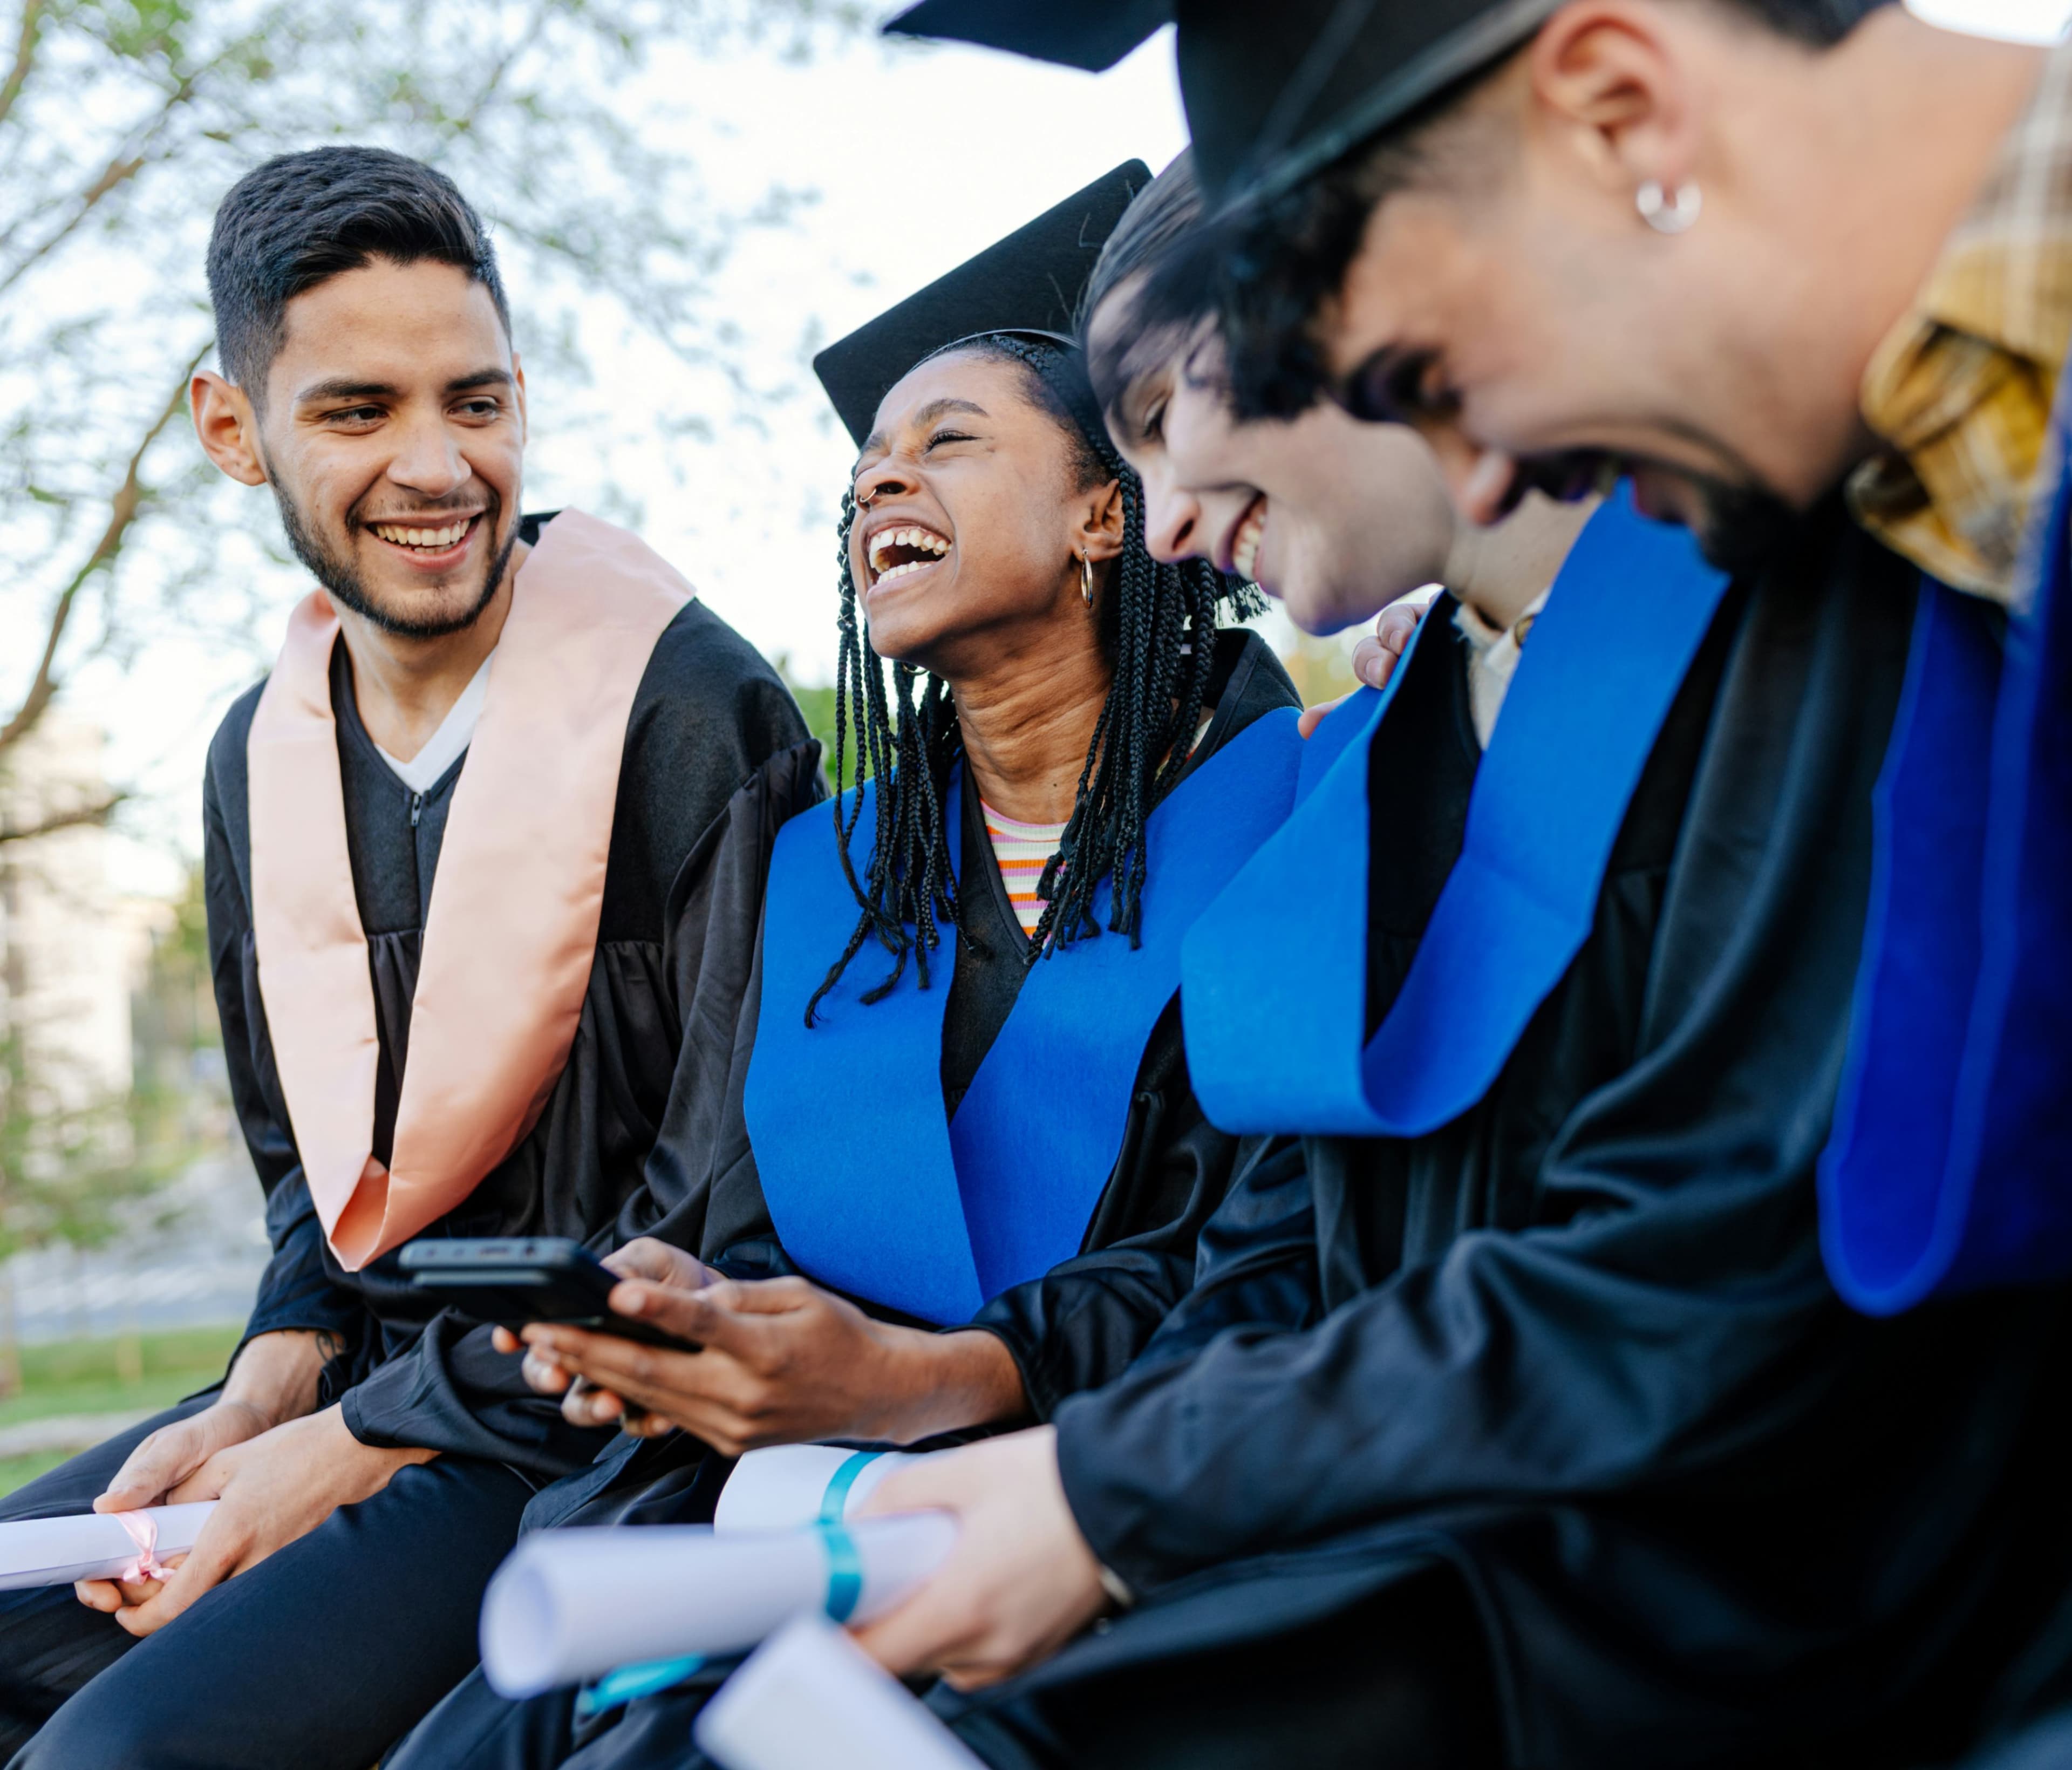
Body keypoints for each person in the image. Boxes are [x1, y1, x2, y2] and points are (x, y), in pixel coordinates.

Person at [815, 19, 2072, 1765]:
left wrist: (1116, 1489)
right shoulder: (1920, 462)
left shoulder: (1841, 581)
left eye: (1416, 363)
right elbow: (1287, 1246)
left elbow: (1736, 1254)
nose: (1495, 483)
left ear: (1623, 108)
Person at [385, 163, 1315, 1770]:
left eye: (946, 444)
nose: (880, 486)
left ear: (1112, 506)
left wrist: (922, 1378)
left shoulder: (1306, 812)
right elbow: (736, 1215)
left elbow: (1277, 1256)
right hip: (773, 1480)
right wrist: (697, 1316)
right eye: (865, 470)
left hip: (1111, 1498)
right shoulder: (817, 863)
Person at [0, 147, 819, 1770]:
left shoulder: (680, 711)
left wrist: (350, 1447)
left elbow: (722, 1215)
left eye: (479, 400)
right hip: (354, 1397)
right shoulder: (261, 752)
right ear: (235, 433)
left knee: (124, 1757)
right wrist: (258, 1397)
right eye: (359, 411)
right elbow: (311, 1186)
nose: (439, 465)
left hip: (590, 1433)